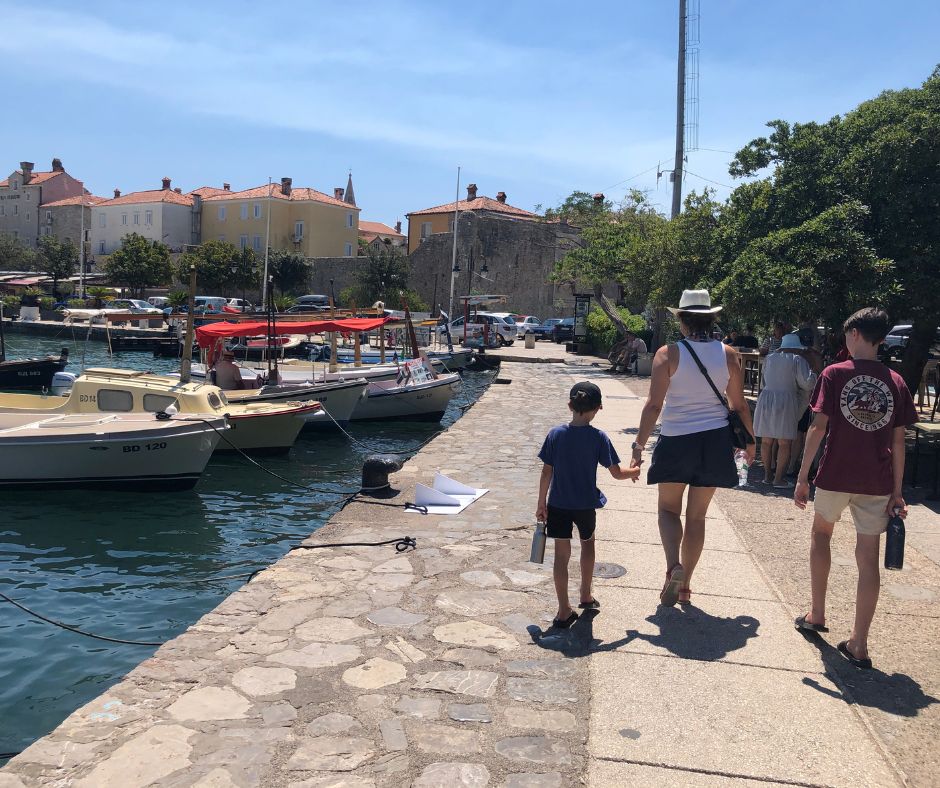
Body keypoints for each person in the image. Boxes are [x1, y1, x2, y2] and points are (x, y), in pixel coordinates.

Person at [794, 308, 917, 670]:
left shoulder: (835, 374)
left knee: (821, 536)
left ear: (857, 335)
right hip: (876, 480)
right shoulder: (896, 382)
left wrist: (803, 477)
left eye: (848, 334)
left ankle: (817, 613)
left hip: (835, 474)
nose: (845, 340)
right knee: (868, 558)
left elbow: (818, 428)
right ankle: (859, 643)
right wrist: (897, 490)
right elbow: (899, 441)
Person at [632, 290, 756, 607]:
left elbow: (654, 405)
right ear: (712, 317)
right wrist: (751, 443)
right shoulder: (729, 355)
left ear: (682, 320)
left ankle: (673, 564)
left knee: (668, 510)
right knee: (697, 517)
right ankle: (685, 584)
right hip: (714, 442)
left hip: (676, 439)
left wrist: (638, 444)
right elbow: (739, 406)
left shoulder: (667, 354)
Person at [536, 381, 639, 628]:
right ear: (598, 408)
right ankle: (585, 594)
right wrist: (634, 470)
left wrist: (541, 503)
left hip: (558, 504)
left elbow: (546, 472)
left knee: (561, 556)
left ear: (570, 405)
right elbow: (616, 472)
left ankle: (563, 610)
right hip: (585, 505)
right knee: (587, 546)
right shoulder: (598, 438)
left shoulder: (555, 434)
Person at [753, 333, 817, 488]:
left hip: (767, 398)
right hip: (787, 400)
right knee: (784, 442)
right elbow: (807, 384)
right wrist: (814, 374)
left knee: (766, 441)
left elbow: (763, 381)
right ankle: (779, 479)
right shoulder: (797, 360)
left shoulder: (769, 358)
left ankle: (768, 475)